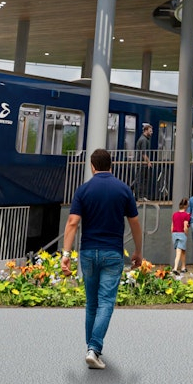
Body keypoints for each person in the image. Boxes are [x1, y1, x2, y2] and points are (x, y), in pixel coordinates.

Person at [61, 148, 144, 370]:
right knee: (106, 301)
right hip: (112, 253)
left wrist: (66, 255)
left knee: (92, 304)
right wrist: (138, 251)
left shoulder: (83, 190)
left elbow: (72, 223)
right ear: (111, 165)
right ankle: (94, 349)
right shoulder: (123, 189)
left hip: (88, 252)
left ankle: (92, 349)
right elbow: (135, 223)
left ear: (92, 166)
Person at [171, 198, 191, 274]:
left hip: (174, 234)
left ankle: (183, 267)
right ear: (186, 206)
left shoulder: (174, 214)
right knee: (179, 251)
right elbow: (185, 226)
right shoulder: (186, 215)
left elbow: (172, 226)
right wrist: (186, 233)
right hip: (182, 234)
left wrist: (173, 233)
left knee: (182, 250)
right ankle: (175, 268)